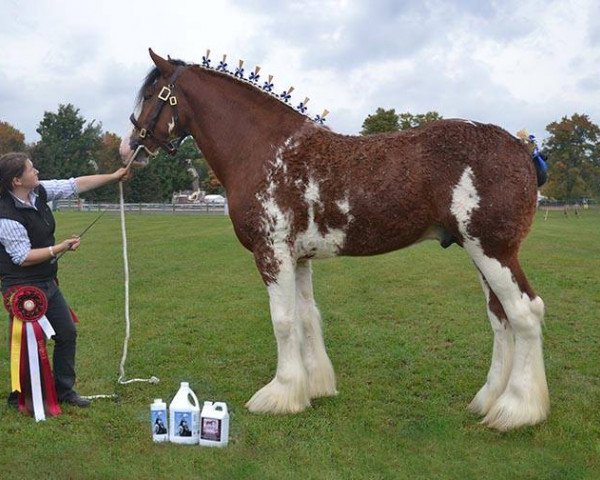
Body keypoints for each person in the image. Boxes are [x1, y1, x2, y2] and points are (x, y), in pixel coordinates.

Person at [0, 152, 130, 409]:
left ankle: (64, 390)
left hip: (48, 281)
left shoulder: (39, 192)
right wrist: (60, 248)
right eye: (31, 169)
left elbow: (75, 184)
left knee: (67, 333)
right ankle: (25, 396)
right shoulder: (5, 214)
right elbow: (23, 257)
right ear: (17, 180)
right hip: (21, 286)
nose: (36, 171)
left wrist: (113, 177)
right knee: (29, 341)